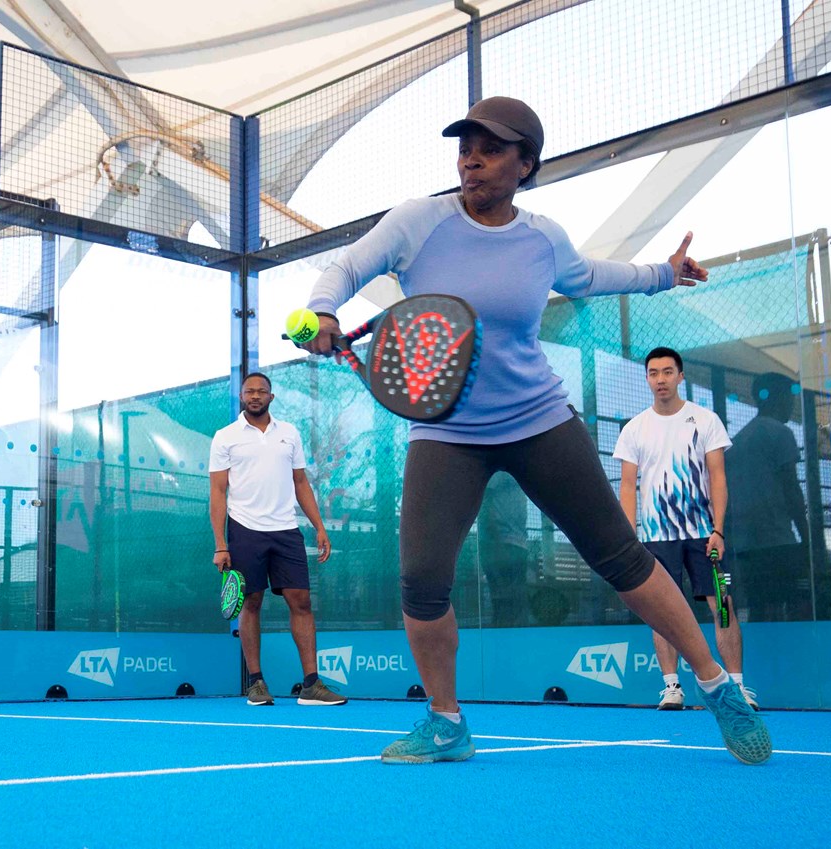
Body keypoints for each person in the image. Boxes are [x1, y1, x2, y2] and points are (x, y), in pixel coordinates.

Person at [301, 96, 770, 764]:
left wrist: (664, 274)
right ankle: (445, 722)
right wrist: (323, 310)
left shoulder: (542, 237)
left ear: (526, 163)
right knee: (421, 578)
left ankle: (716, 684)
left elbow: (590, 276)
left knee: (622, 557)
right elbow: (347, 266)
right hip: (447, 432)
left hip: (538, 420)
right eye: (465, 146)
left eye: (491, 149)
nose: (472, 159)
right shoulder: (418, 222)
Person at [614, 347, 758, 711]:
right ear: (647, 379)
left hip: (703, 536)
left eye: (667, 372)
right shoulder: (634, 429)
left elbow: (718, 476)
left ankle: (737, 686)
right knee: (661, 610)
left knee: (722, 605)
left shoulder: (706, 420)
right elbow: (627, 487)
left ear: (680, 376)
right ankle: (671, 687)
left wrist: (718, 530)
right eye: (653, 373)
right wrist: (631, 538)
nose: (660, 379)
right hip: (655, 540)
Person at [209, 372, 345, 707]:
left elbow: (300, 483)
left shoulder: (289, 433)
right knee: (250, 603)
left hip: (286, 530)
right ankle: (256, 684)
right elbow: (217, 492)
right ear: (242, 397)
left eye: (261, 391)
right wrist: (220, 544)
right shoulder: (224, 437)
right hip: (244, 530)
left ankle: (312, 684)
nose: (255, 396)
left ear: (271, 397)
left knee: (301, 602)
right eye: (249, 391)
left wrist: (319, 526)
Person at [724, 372, 813, 621]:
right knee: (785, 608)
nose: (791, 404)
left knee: (759, 608)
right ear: (776, 397)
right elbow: (791, 489)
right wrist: (807, 539)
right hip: (776, 540)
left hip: (745, 545)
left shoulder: (739, 441)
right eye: (788, 397)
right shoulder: (780, 433)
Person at [477, 472, 533, 627]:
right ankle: (503, 642)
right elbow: (485, 506)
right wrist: (497, 545)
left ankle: (508, 642)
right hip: (503, 544)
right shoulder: (500, 473)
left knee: (513, 603)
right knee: (505, 602)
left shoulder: (515, 476)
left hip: (515, 544)